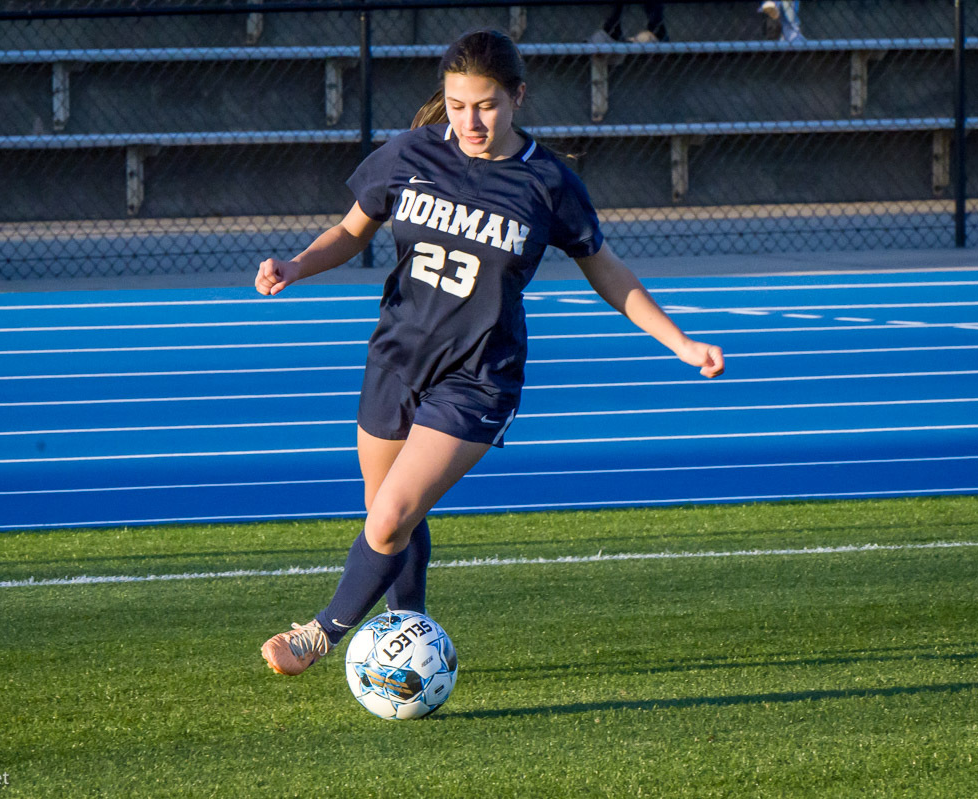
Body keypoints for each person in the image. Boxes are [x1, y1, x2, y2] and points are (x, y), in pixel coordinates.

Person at [257, 28, 725, 677]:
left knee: (390, 516)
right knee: (390, 512)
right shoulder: (411, 152)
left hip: (479, 376)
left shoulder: (547, 181)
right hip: (395, 358)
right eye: (456, 104)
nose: (470, 120)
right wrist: (296, 263)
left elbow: (609, 271)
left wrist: (679, 341)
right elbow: (349, 230)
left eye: (486, 105)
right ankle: (408, 641)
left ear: (517, 97)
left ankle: (320, 632)